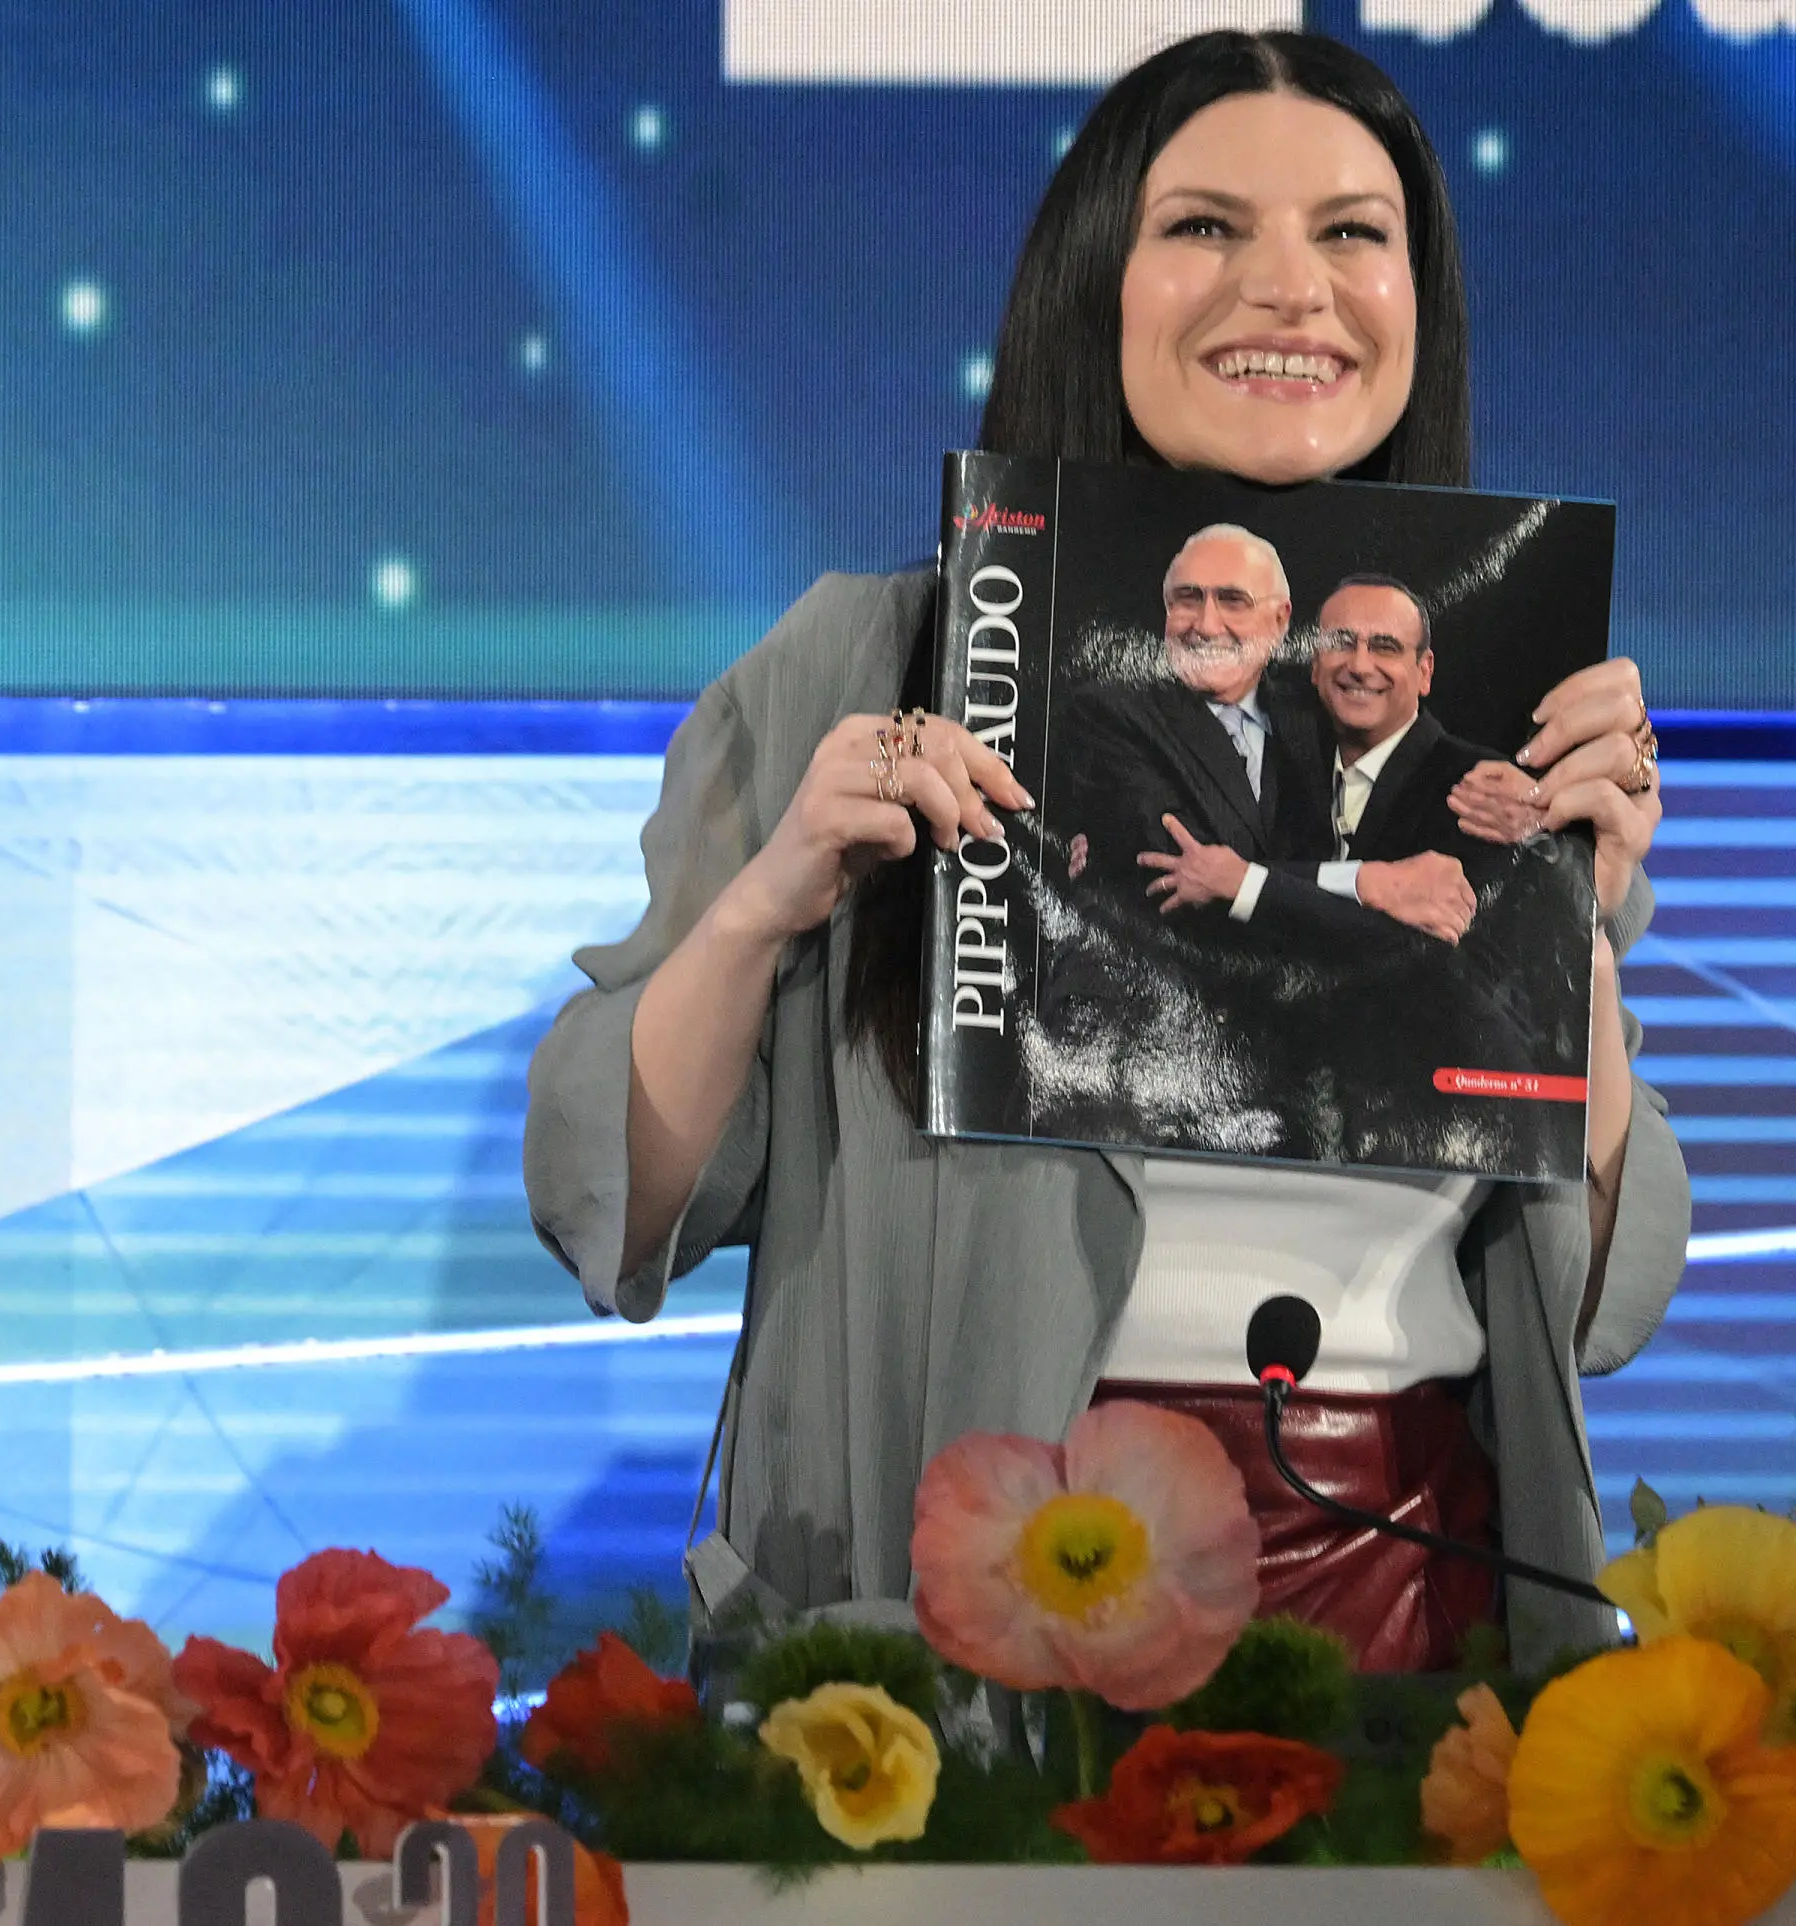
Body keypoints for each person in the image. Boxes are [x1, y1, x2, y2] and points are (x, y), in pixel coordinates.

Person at [523, 30, 1683, 1672]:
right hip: (969, 1629)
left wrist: (1572, 940)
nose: (1289, 286)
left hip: (1411, 1609)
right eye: (1205, 226)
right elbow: (612, 1204)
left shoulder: (1472, 719)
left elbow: (1594, 1312)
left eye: (1354, 233)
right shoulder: (862, 664)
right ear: (1094, 284)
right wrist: (766, 904)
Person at [1064, 530, 1476, 946]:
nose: (1206, 625)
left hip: (1296, 989)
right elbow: (1179, 870)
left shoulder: (1311, 708)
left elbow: (1408, 734)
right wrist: (1365, 880)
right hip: (1152, 989)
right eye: (1188, 598)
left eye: (1232, 601)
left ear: (1280, 621)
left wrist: (1512, 780)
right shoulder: (1108, 713)